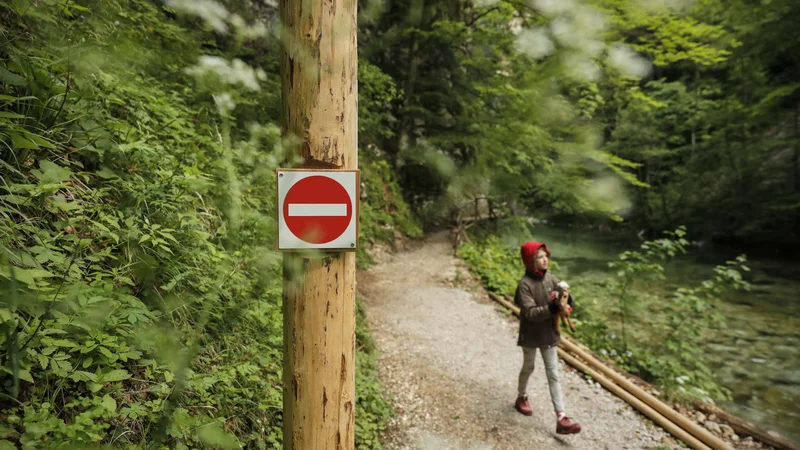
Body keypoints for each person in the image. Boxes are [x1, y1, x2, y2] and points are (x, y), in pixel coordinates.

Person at [513, 240, 582, 435]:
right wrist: (552, 308)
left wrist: (568, 300)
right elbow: (530, 313)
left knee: (553, 372)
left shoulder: (552, 279)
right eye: (539, 257)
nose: (544, 260)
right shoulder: (524, 285)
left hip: (550, 333)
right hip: (531, 333)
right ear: (530, 261)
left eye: (545, 256)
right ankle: (521, 396)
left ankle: (561, 417)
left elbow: (564, 299)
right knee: (529, 366)